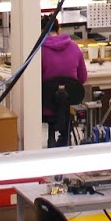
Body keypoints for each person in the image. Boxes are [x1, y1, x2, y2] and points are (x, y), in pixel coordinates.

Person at [40, 16, 89, 147]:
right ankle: (65, 140)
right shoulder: (74, 47)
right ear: (59, 30)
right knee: (64, 107)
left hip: (46, 106)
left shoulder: (40, 51)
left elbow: (34, 82)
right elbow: (82, 78)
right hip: (69, 106)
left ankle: (52, 140)